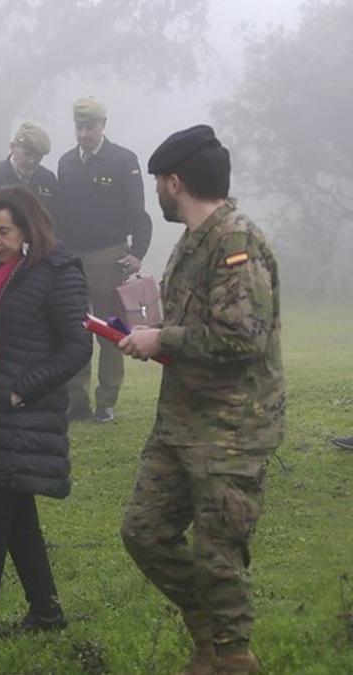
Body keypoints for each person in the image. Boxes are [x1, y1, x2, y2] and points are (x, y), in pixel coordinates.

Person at [118, 125, 284, 675]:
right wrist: (153, 325)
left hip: (231, 428)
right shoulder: (193, 240)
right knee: (143, 531)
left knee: (219, 558)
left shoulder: (236, 241)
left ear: (174, 181)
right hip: (181, 422)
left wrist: (162, 338)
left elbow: (242, 337)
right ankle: (209, 637)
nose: (157, 195)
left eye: (158, 185)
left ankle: (231, 657)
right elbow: (202, 326)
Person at [0, 186, 91, 644]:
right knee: (15, 511)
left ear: (28, 227)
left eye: (4, 231)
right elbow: (1, 344)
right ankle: (46, 612)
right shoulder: (2, 275)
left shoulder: (58, 271)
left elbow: (76, 347)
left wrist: (22, 390)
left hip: (25, 411)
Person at [56, 97, 152, 423]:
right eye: (79, 127)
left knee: (110, 333)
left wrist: (137, 252)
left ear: (103, 126)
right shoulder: (66, 162)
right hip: (71, 258)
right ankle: (77, 402)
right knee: (75, 331)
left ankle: (107, 402)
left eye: (90, 127)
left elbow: (138, 211)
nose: (84, 134)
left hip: (109, 256)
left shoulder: (123, 160)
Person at [0, 122, 60, 279]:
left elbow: (55, 224)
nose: (31, 161)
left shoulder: (48, 181)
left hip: (35, 268)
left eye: (38, 156)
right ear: (12, 147)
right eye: (27, 153)